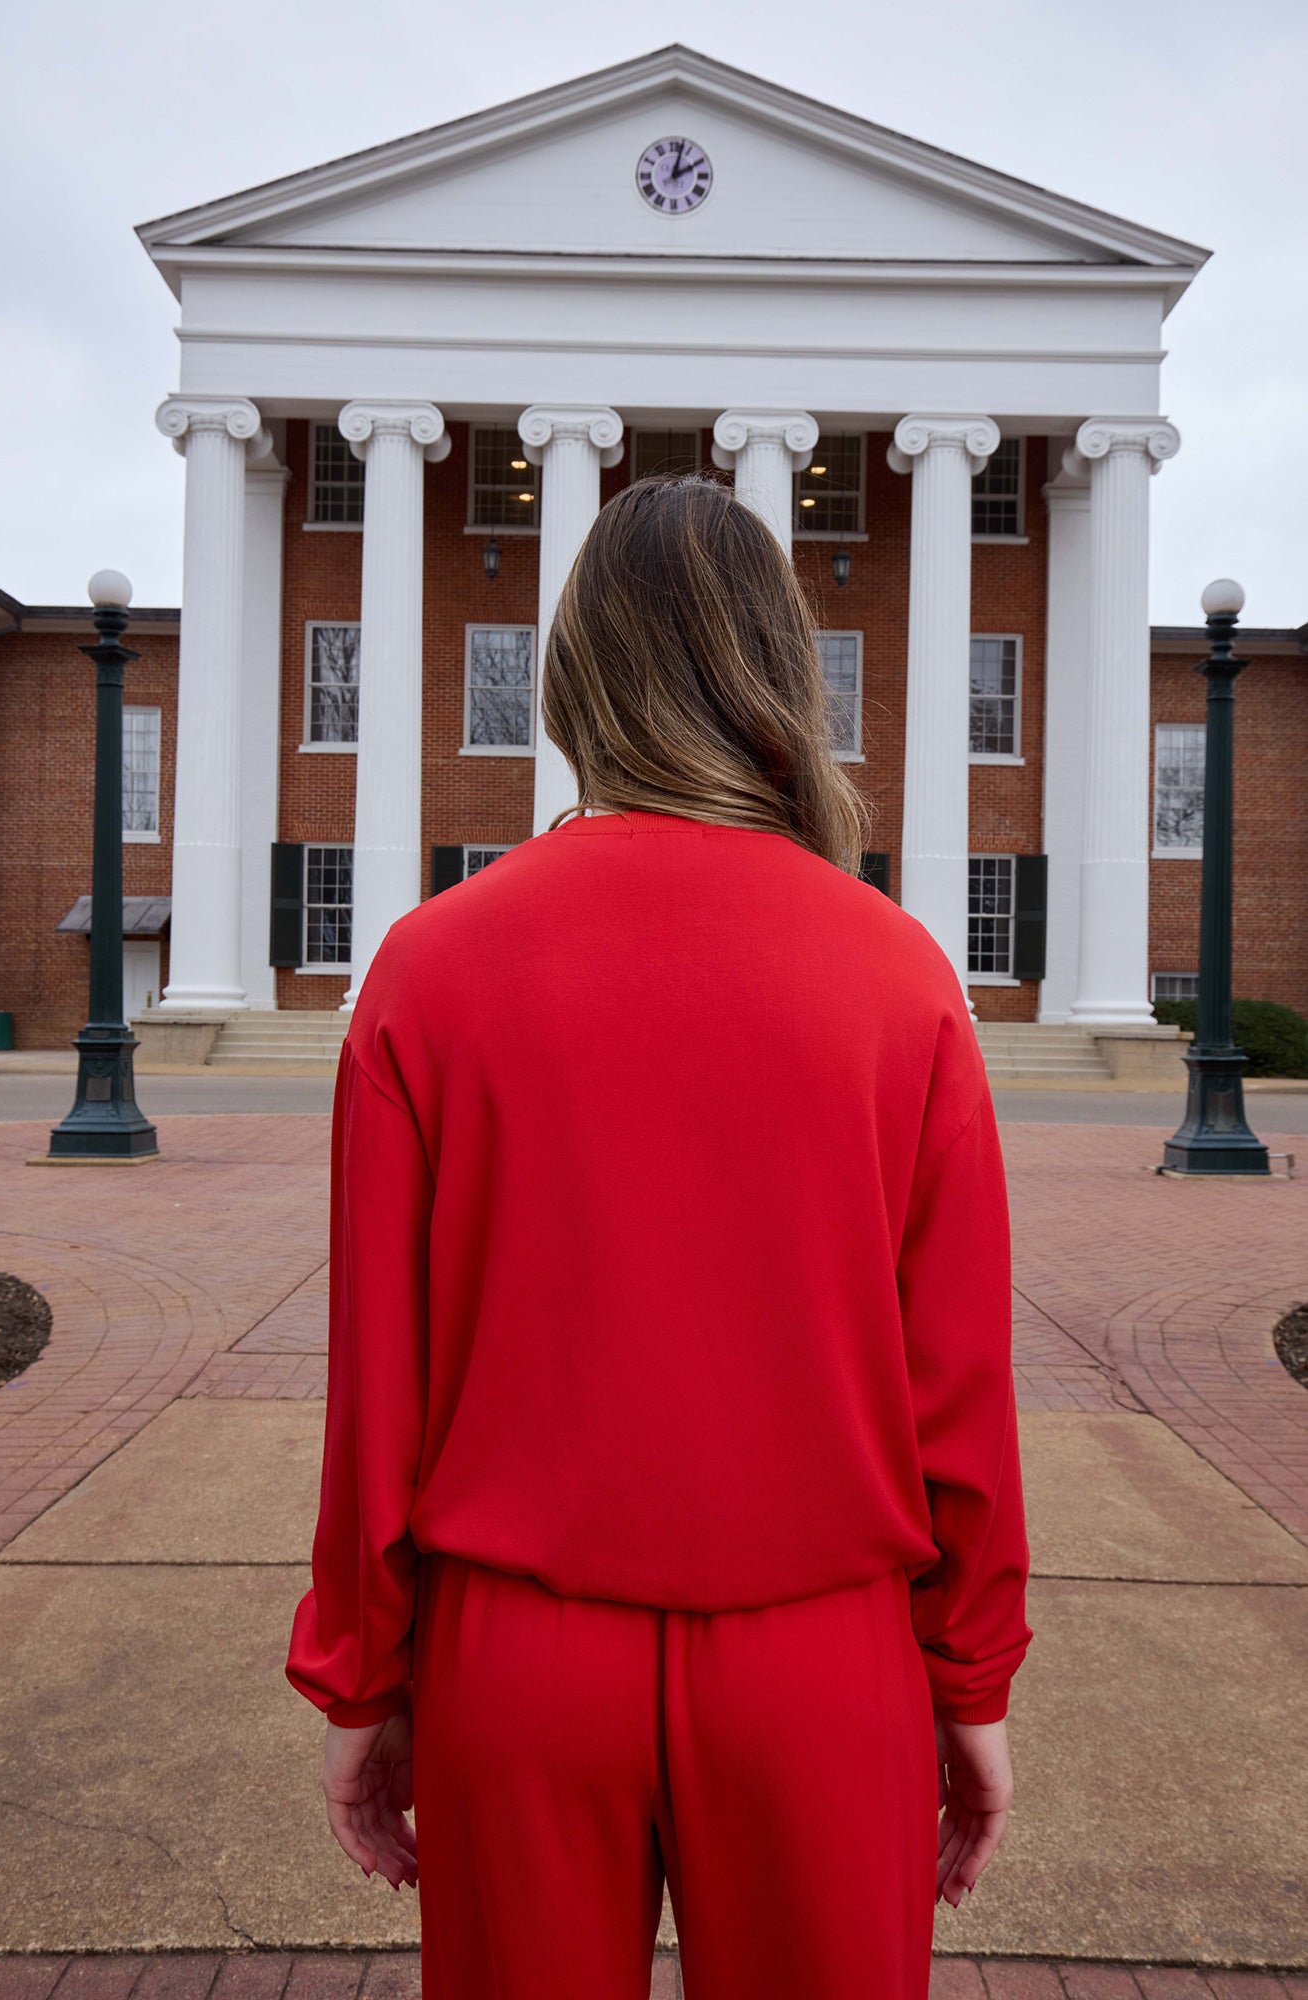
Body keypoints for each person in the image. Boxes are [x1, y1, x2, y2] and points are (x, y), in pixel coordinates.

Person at [285, 473, 1033, 2000]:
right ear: (776, 674)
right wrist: (969, 1681)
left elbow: (379, 1384)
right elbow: (958, 1386)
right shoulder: (899, 979)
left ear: (571, 677)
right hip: (822, 1659)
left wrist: (363, 1674)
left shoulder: (431, 972)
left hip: (518, 1658)